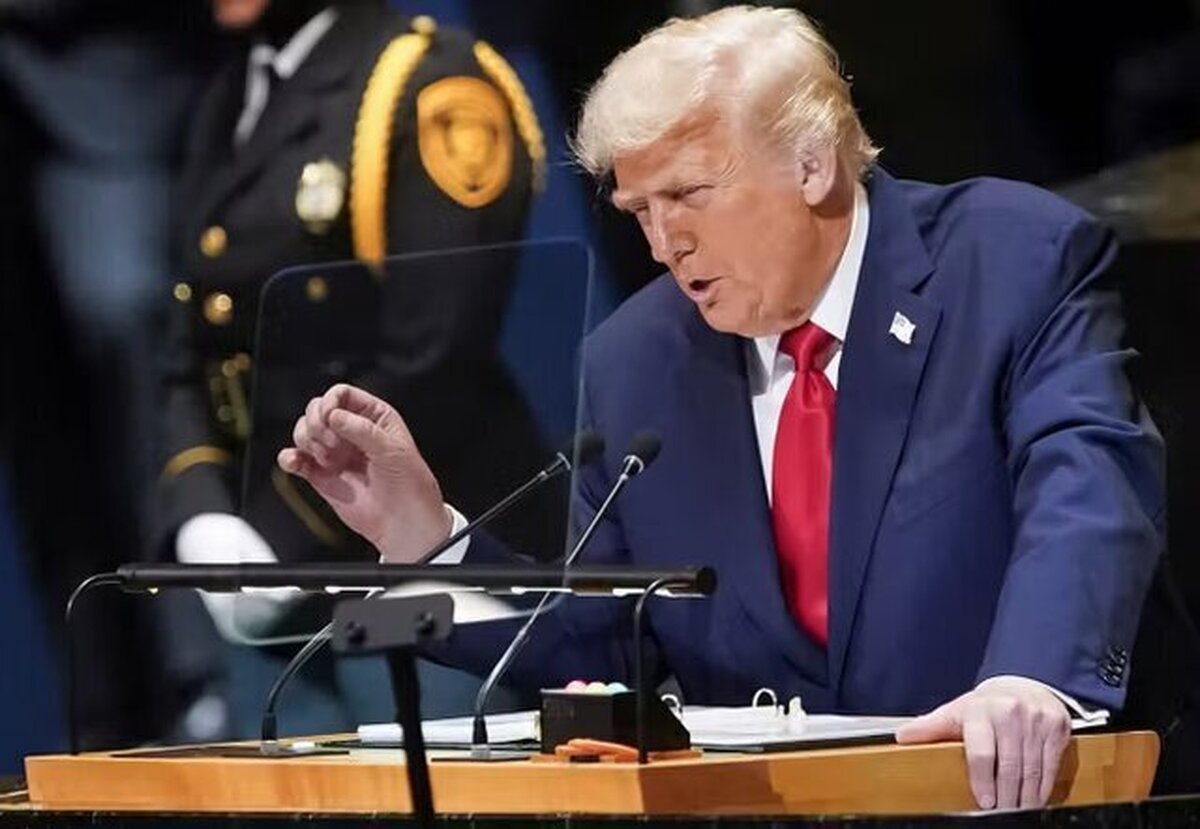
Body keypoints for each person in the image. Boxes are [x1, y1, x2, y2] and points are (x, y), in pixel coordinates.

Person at [277, 6, 1174, 809]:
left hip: (1018, 794)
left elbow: (1087, 484)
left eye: (689, 195)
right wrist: (427, 541)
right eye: (640, 209)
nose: (665, 244)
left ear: (812, 164)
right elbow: (599, 642)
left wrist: (1030, 677)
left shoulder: (1008, 262)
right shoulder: (637, 359)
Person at [153, 0, 551, 731]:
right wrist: (200, 514)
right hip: (271, 591)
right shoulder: (233, 94)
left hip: (419, 570)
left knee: (426, 784)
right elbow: (191, 339)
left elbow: (435, 354)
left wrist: (275, 535)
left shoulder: (431, 83)